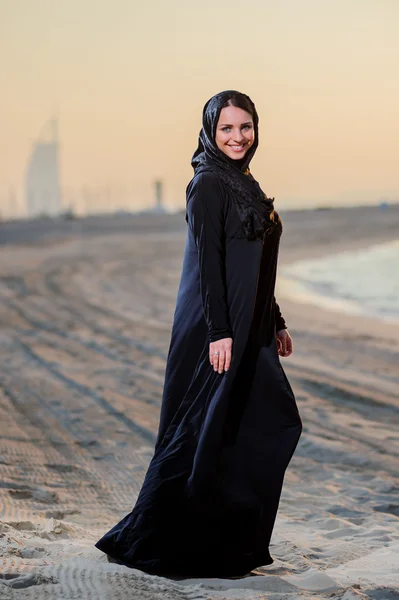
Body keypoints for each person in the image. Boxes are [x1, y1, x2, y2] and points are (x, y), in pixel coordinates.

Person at [94, 90, 302, 578]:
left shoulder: (244, 181)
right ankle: (172, 541)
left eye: (245, 127)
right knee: (203, 434)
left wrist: (275, 321)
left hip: (247, 324)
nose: (237, 136)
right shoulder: (207, 183)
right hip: (215, 328)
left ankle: (225, 543)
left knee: (241, 429)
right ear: (211, 130)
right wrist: (220, 332)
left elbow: (254, 265)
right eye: (226, 128)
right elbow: (209, 264)